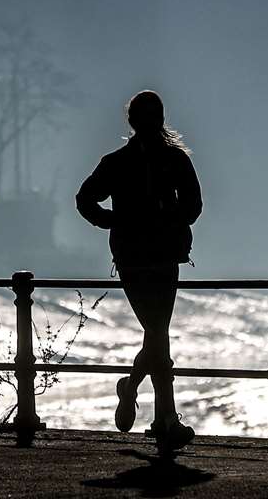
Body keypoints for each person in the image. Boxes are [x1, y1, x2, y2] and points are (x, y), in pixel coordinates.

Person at [76, 90, 202, 451]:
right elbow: (193, 206)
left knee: (157, 331)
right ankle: (165, 417)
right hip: (149, 255)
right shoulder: (164, 161)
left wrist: (116, 222)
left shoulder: (128, 162)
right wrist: (126, 222)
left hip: (147, 255)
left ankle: (142, 398)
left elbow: (86, 200)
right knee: (158, 331)